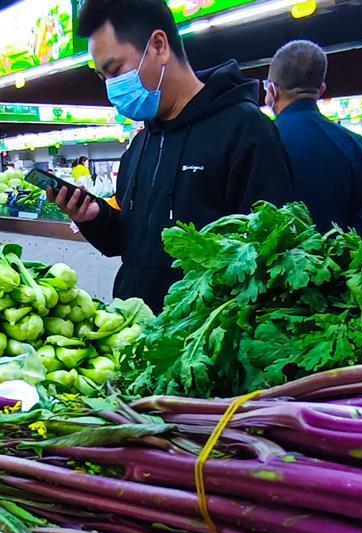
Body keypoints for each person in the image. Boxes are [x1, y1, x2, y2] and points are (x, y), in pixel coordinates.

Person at [49, 0, 294, 311]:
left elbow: (271, 256)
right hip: (135, 328)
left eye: (115, 70)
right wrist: (94, 218)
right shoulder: (140, 145)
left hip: (203, 333)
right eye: (103, 77)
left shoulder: (245, 130)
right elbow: (129, 245)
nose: (111, 88)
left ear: (159, 46)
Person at [266, 40, 362, 235]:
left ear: (272, 91)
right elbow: (358, 227)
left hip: (274, 254)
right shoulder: (355, 144)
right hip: (338, 254)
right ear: (321, 90)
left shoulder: (263, 139)